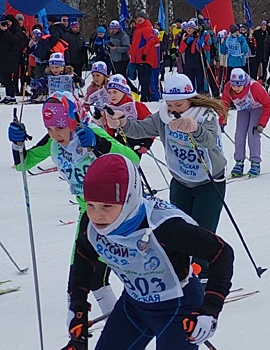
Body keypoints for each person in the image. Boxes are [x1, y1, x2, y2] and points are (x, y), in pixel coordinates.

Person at [63, 153, 234, 349]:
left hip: (179, 307)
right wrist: (77, 308)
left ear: (128, 199)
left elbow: (222, 253)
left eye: (107, 206)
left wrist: (210, 309)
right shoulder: (90, 225)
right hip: (134, 306)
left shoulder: (164, 226)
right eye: (90, 205)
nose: (97, 214)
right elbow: (84, 259)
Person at [8, 91, 140, 323]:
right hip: (87, 213)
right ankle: (87, 327)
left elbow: (133, 159)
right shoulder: (52, 143)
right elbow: (24, 163)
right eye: (49, 128)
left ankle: (127, 323)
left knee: (112, 273)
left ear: (73, 119)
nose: (55, 134)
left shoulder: (91, 133)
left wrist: (99, 144)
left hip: (117, 213)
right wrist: (16, 142)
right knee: (82, 276)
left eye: (60, 127)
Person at [103, 74, 228, 281]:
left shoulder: (204, 115)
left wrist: (194, 128)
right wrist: (122, 122)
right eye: (169, 104)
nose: (173, 109)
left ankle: (205, 277)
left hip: (209, 182)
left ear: (190, 99)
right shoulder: (164, 116)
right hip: (180, 180)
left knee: (202, 232)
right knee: (177, 231)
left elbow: (210, 141)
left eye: (178, 104)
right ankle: (181, 275)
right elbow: (140, 129)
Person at [220, 68, 270, 177]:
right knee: (239, 134)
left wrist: (262, 124)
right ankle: (239, 162)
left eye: (239, 86)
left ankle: (255, 162)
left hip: (257, 108)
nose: (236, 88)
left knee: (252, 134)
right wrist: (222, 121)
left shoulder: (255, 87)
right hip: (243, 109)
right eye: (234, 85)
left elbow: (268, 105)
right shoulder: (228, 87)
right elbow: (224, 104)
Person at [129, 11, 158, 102]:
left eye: (141, 17)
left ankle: (145, 96)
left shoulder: (146, 28)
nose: (139, 19)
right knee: (141, 78)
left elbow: (151, 40)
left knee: (145, 79)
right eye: (137, 18)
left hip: (144, 58)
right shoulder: (137, 29)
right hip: (139, 58)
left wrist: (144, 53)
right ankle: (145, 95)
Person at [0, 14, 27, 104]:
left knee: (10, 77)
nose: (7, 24)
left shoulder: (17, 31)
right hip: (4, 57)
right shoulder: (4, 31)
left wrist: (6, 31)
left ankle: (11, 95)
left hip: (12, 58)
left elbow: (15, 41)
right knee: (5, 77)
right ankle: (9, 95)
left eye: (9, 22)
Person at [179, 21, 209, 94]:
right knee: (190, 79)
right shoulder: (184, 38)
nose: (189, 30)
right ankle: (191, 93)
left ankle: (201, 92)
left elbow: (206, 47)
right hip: (189, 62)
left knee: (199, 79)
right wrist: (186, 43)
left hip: (198, 61)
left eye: (191, 28)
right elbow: (181, 50)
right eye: (187, 28)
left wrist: (204, 41)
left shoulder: (198, 36)